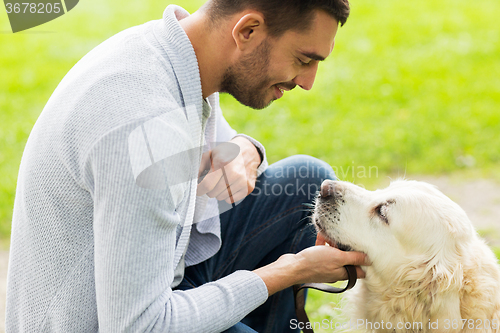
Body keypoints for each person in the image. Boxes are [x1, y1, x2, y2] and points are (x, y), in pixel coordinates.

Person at [6, 0, 369, 332]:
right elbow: (140, 326)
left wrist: (246, 149)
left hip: (163, 272)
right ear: (248, 31)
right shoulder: (145, 121)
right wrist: (291, 270)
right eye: (304, 60)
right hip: (110, 322)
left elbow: (220, 149)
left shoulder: (176, 51)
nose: (308, 82)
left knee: (307, 183)